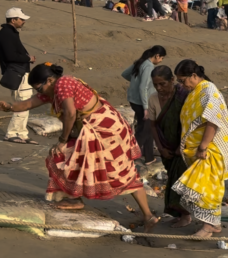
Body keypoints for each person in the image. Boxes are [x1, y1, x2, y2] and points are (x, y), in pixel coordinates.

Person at [0, 63, 159, 231]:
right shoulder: (53, 90)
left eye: (39, 89)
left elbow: (70, 113)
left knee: (120, 173)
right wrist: (9, 107)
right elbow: (26, 105)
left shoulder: (63, 84)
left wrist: (62, 140)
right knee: (65, 157)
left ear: (49, 80)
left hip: (105, 131)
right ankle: (74, 199)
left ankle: (148, 216)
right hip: (90, 130)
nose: (40, 93)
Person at [172, 59, 228, 237]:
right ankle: (210, 224)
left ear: (194, 76)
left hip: (210, 148)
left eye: (183, 80)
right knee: (202, 187)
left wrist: (203, 146)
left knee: (208, 187)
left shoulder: (209, 91)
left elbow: (213, 120)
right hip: (197, 147)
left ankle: (210, 226)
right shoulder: (197, 91)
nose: (181, 84)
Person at [146, 65, 191, 228]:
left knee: (182, 181)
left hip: (183, 147)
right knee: (172, 180)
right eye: (155, 85)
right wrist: (160, 147)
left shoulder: (183, 96)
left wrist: (182, 145)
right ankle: (178, 214)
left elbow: (189, 124)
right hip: (166, 145)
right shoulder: (153, 99)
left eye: (162, 84)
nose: (159, 88)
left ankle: (186, 215)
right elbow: (153, 125)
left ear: (172, 80)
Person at [121, 45, 167, 164]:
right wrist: (146, 108)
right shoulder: (149, 67)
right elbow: (143, 87)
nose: (161, 61)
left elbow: (125, 74)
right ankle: (129, 157)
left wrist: (135, 82)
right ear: (157, 56)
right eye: (161, 58)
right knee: (143, 131)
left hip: (134, 100)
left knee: (149, 128)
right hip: (142, 103)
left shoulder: (140, 62)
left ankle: (149, 157)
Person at [0, 8, 36, 145]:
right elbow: (10, 56)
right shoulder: (6, 34)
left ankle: (21, 133)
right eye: (21, 19)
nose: (24, 21)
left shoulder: (10, 33)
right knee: (23, 103)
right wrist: (28, 59)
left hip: (19, 72)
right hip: (17, 73)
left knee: (25, 103)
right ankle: (12, 133)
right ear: (13, 20)